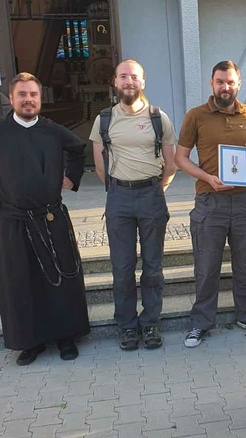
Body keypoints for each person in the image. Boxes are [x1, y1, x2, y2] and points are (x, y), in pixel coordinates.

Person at [0, 72, 90, 366]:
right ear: (12, 99)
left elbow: (77, 150)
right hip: (13, 220)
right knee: (20, 282)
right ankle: (29, 341)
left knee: (61, 281)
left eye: (33, 94)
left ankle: (65, 336)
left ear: (39, 99)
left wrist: (72, 177)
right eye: (22, 95)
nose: (28, 100)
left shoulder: (54, 131)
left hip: (50, 217)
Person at [175, 60, 246, 347]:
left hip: (243, 201)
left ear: (238, 83)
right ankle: (201, 322)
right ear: (212, 84)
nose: (225, 87)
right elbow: (180, 158)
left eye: (230, 82)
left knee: (245, 263)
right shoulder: (196, 116)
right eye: (219, 82)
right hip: (209, 200)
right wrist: (208, 178)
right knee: (207, 265)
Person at [89, 60, 177, 351]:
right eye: (123, 76)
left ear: (143, 82)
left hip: (151, 195)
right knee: (122, 267)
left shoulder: (158, 117)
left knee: (153, 267)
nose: (129, 81)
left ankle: (151, 322)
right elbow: (100, 164)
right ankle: (127, 326)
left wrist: (154, 189)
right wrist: (120, 188)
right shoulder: (104, 119)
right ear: (115, 82)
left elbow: (171, 162)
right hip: (119, 198)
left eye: (134, 77)